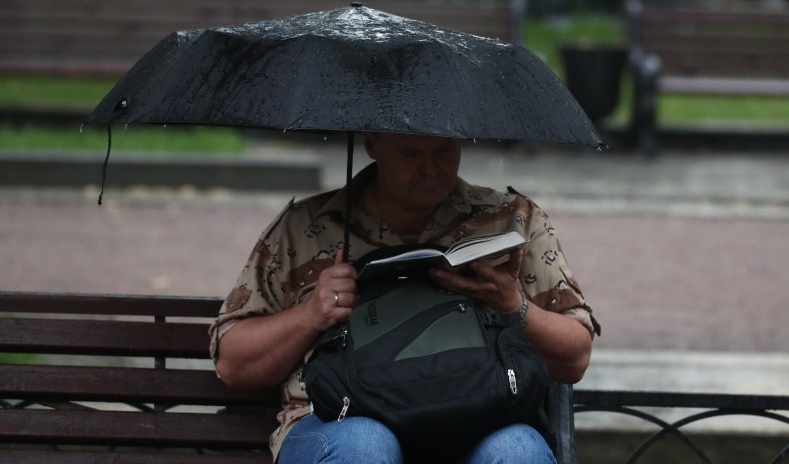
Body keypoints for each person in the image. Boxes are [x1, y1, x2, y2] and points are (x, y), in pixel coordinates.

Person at [209, 131, 600, 463]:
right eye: (412, 154)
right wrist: (312, 314)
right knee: (364, 445)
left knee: (518, 451)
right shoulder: (304, 228)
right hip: (341, 423)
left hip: (482, 416)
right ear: (373, 145)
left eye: (444, 150)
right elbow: (234, 364)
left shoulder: (513, 221)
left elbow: (575, 357)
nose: (431, 168)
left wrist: (515, 307)